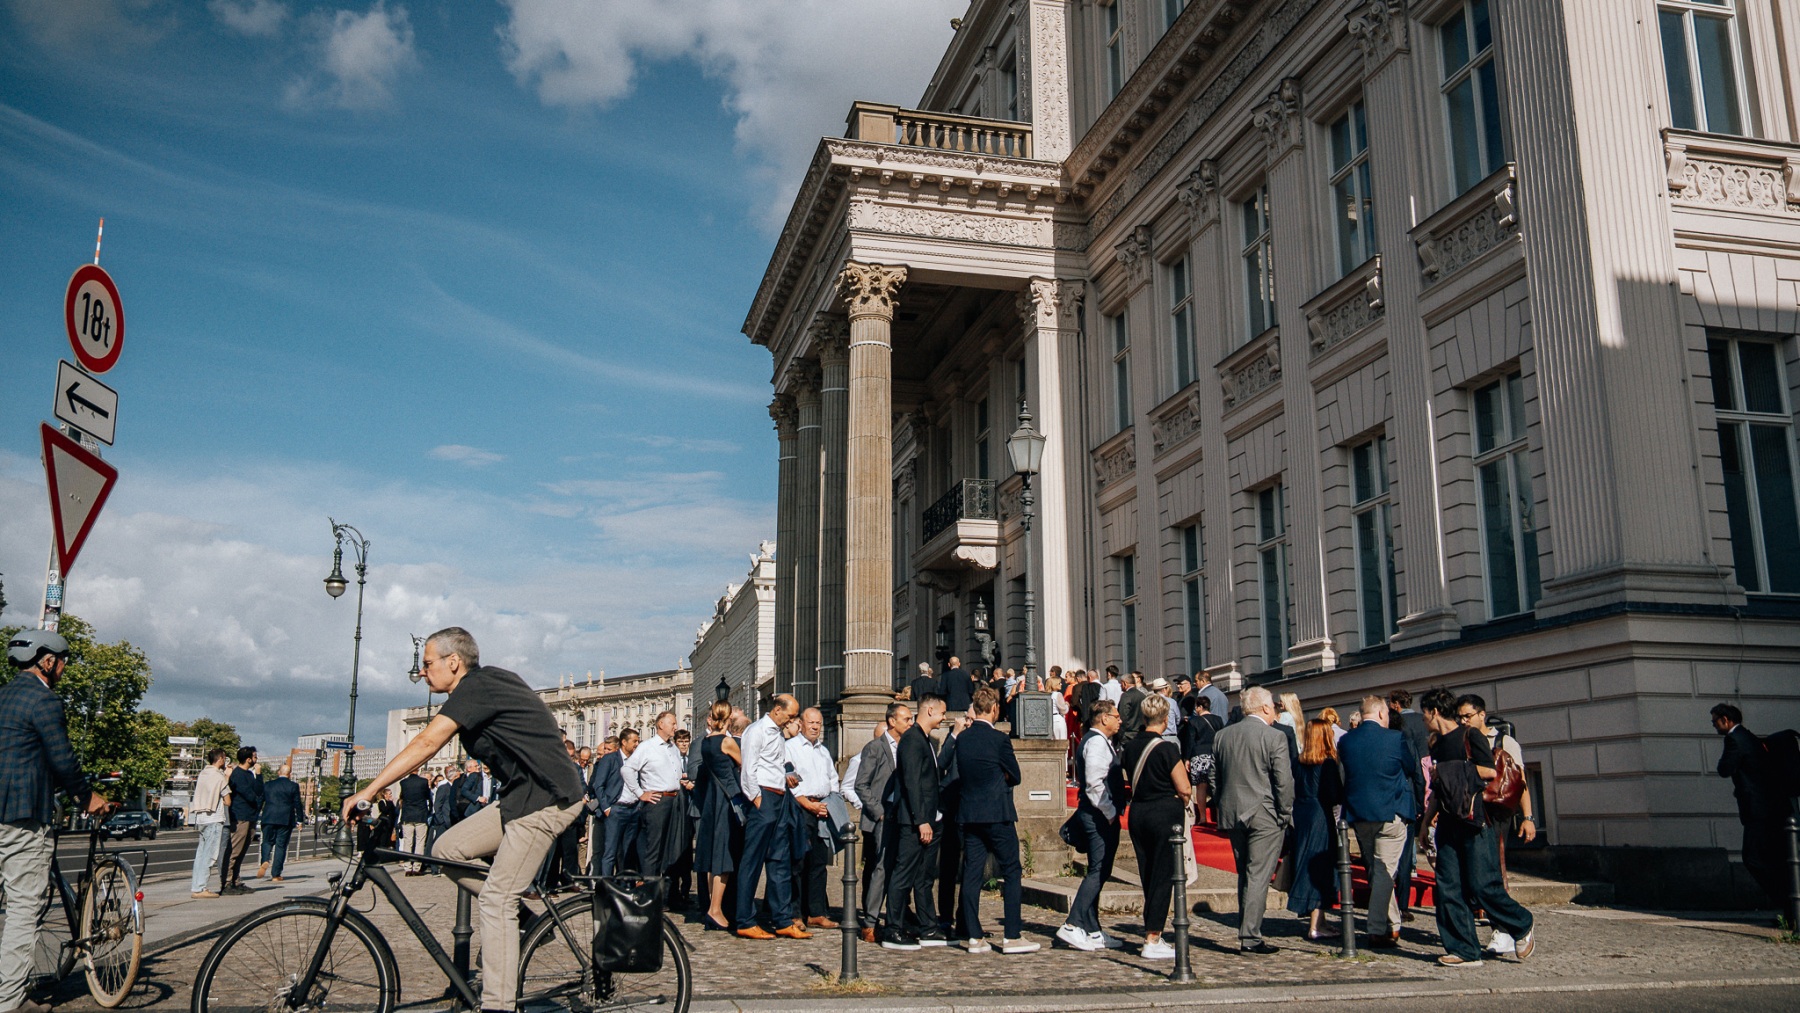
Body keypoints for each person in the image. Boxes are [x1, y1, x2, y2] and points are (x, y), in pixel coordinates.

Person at [348, 626, 587, 1013]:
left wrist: (368, 789)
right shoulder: (482, 686)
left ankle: (497, 1006)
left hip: (548, 798)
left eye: (428, 664)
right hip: (519, 798)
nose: (422, 672)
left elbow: (427, 742)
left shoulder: (477, 687)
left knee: (496, 900)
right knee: (446, 849)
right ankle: (527, 921)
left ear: (454, 662)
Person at [0, 630, 112, 1013]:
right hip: (21, 816)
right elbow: (62, 759)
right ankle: (9, 1002)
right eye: (62, 662)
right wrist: (88, 798)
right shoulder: (44, 700)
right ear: (47, 661)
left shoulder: (3, 695)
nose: (63, 669)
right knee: (23, 908)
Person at [1417, 687, 1534, 968]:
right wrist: (1426, 822)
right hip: (1448, 822)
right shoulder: (1437, 744)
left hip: (1476, 821)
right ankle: (1464, 950)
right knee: (1448, 888)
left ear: (1434, 712)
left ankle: (1522, 923)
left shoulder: (1470, 736)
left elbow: (1489, 771)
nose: (1423, 720)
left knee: (1482, 885)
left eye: (1424, 713)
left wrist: (1448, 770)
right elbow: (1439, 788)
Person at [956, 686, 1039, 954]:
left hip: (970, 813)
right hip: (997, 812)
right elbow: (1015, 775)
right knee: (1012, 870)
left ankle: (974, 935)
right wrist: (1000, 776)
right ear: (994, 709)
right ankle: (1012, 935)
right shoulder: (1000, 739)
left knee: (972, 873)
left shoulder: (962, 739)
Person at [1211, 685, 1292, 955]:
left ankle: (1247, 929)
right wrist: (1285, 812)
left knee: (1245, 873)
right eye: (1274, 706)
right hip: (1265, 812)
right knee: (1258, 874)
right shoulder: (1274, 736)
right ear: (1266, 707)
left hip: (1233, 811)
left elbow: (1214, 776)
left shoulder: (1223, 735)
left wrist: (1222, 802)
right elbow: (1283, 780)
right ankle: (1250, 935)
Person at [1338, 695, 1420, 949]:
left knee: (1378, 871)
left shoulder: (1346, 740)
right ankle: (1376, 928)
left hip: (1360, 814)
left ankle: (1392, 924)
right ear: (1383, 713)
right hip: (1391, 810)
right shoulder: (1395, 739)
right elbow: (1411, 768)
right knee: (1384, 872)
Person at [1122, 694, 1192, 960]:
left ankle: (1151, 930)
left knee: (1148, 873)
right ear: (1165, 719)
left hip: (1139, 812)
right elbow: (1184, 788)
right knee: (1163, 876)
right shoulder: (1167, 748)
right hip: (1164, 814)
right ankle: (1153, 937)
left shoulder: (1131, 747)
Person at [736, 695, 806, 940]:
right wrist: (756, 798)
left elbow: (775, 763)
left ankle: (782, 919)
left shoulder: (777, 733)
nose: (792, 720)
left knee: (780, 859)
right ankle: (745, 920)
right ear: (777, 710)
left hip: (779, 796)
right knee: (752, 860)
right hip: (764, 797)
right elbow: (748, 768)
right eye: (790, 715)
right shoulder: (756, 731)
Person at [1712, 702, 1792, 912]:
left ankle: (1787, 904)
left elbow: (1724, 769)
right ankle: (1790, 907)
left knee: (1753, 858)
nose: (1714, 726)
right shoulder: (1749, 736)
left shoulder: (1734, 739)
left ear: (1726, 720)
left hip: (1759, 811)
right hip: (1773, 808)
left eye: (1715, 722)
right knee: (1775, 858)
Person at [1059, 700, 1124, 953]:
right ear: (1104, 718)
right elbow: (1095, 783)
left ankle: (1092, 928)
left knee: (1101, 869)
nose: (1120, 720)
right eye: (1116, 716)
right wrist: (1109, 812)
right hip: (1097, 815)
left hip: (1098, 814)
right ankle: (1073, 923)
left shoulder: (1098, 741)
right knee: (1098, 870)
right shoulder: (1096, 742)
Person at [884, 694, 948, 950]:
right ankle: (893, 928)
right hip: (914, 822)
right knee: (903, 874)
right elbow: (911, 782)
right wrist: (921, 820)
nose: (944, 717)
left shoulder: (924, 738)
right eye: (942, 713)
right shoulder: (912, 739)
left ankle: (928, 927)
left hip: (929, 819)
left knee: (924, 876)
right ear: (930, 710)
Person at [854, 705, 909, 944]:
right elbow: (861, 784)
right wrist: (879, 812)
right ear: (892, 721)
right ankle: (870, 921)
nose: (910, 722)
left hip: (903, 816)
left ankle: (898, 920)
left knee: (900, 869)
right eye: (906, 719)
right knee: (880, 869)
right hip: (883, 817)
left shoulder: (907, 747)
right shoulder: (875, 748)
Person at [1286, 717, 1344, 940]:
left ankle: (1320, 921)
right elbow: (1334, 795)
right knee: (1320, 865)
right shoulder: (1327, 763)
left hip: (1302, 812)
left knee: (1305, 859)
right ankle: (1315, 925)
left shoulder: (1297, 762)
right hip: (1320, 814)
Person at [786, 707, 840, 929]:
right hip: (801, 807)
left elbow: (833, 778)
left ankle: (816, 912)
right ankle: (795, 913)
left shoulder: (823, 751)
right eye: (811, 722)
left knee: (818, 862)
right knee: (797, 862)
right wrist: (808, 804)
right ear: (801, 723)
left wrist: (830, 802)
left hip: (822, 808)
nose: (815, 727)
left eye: (818, 723)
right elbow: (789, 780)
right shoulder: (790, 748)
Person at [694, 701, 745, 932]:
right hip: (726, 800)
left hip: (712, 801)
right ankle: (716, 909)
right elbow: (744, 764)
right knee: (723, 856)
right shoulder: (727, 742)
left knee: (711, 854)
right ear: (728, 718)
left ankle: (712, 907)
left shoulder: (706, 741)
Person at [624, 711, 687, 889]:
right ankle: (647, 891)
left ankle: (665, 893)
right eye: (672, 723)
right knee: (653, 849)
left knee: (670, 849)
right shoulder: (647, 747)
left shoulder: (673, 748)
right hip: (657, 802)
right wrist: (640, 793)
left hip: (675, 800)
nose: (676, 727)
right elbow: (627, 770)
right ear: (661, 724)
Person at [1387, 688, 1428, 921]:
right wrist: (1421, 802)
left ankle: (1387, 905)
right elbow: (1418, 773)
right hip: (1409, 797)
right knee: (1404, 855)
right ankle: (1402, 906)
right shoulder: (1423, 721)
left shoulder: (1398, 732)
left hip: (1389, 800)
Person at [592, 728, 640, 876]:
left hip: (633, 809)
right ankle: (606, 884)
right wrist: (606, 807)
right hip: (616, 809)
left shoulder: (637, 759)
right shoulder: (610, 759)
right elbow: (598, 785)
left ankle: (624, 884)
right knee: (610, 852)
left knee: (627, 853)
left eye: (638, 741)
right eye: (634, 741)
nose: (637, 744)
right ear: (624, 742)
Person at [188, 748, 231, 899]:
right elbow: (228, 801)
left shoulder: (203, 774)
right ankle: (201, 888)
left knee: (200, 855)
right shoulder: (219, 777)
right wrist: (227, 777)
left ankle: (196, 886)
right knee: (210, 855)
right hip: (214, 818)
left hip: (201, 818)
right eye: (224, 758)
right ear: (220, 759)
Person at [222, 745, 264, 894]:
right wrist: (257, 800)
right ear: (248, 759)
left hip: (250, 816)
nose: (257, 759)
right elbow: (251, 795)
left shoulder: (250, 774)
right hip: (240, 816)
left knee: (242, 851)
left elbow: (260, 791)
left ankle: (236, 880)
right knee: (235, 851)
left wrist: (259, 775)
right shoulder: (238, 774)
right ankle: (227, 882)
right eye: (255, 756)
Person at [1181, 693, 1225, 827]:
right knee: (1217, 785)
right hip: (1215, 755)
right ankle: (1220, 817)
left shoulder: (1194, 721)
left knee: (1201, 787)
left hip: (1199, 755)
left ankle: (1202, 817)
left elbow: (1190, 741)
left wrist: (1187, 758)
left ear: (1200, 707)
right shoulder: (1218, 720)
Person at [260, 762, 303, 882]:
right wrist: (300, 820)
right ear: (289, 774)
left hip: (268, 817)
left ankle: (264, 860)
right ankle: (276, 874)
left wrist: (255, 815)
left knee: (267, 842)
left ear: (278, 772)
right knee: (281, 846)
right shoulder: (293, 786)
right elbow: (297, 803)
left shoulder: (268, 785)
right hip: (285, 819)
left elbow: (260, 800)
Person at [396, 765, 433, 876]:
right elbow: (427, 796)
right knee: (420, 842)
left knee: (408, 841)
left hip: (407, 815)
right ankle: (416, 867)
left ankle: (407, 867)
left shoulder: (403, 783)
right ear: (418, 770)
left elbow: (402, 797)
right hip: (421, 814)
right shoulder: (423, 782)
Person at [1117, 672, 1146, 741]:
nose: (1120, 686)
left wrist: (1120, 734)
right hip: (1141, 733)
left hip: (1128, 734)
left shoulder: (1126, 696)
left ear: (1124, 683)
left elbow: (1123, 715)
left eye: (1121, 684)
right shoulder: (1143, 695)